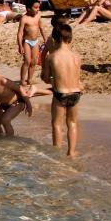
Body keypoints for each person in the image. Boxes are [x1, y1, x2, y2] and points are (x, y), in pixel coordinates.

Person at [34, 22, 83, 157]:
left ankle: (57, 153)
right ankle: (71, 152)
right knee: (72, 122)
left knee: (57, 124)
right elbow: (77, 78)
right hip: (75, 93)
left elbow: (45, 77)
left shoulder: (52, 57)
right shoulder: (77, 57)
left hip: (60, 94)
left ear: (55, 40)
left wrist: (49, 79)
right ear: (70, 39)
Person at [17, 0, 46, 87]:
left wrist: (45, 39)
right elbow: (20, 33)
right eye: (36, 8)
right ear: (28, 9)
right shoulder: (24, 18)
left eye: (38, 7)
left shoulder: (38, 15)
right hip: (26, 42)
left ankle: (29, 79)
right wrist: (20, 46)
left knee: (33, 61)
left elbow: (41, 28)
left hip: (35, 41)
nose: (38, 9)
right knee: (27, 61)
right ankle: (22, 80)